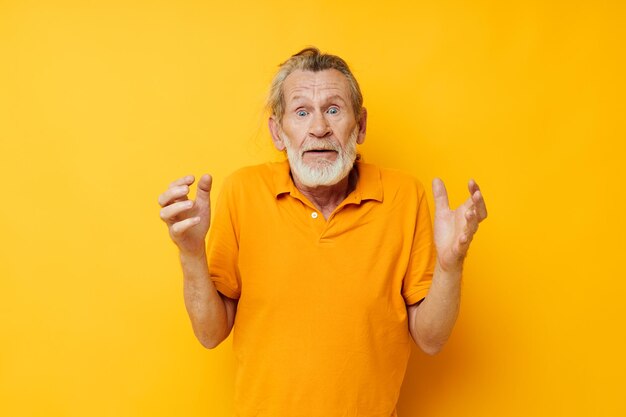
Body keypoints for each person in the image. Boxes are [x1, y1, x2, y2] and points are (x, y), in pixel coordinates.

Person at [157, 47, 488, 417]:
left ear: (360, 125)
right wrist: (190, 252)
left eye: (333, 109)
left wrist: (449, 265)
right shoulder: (242, 192)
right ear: (277, 132)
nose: (319, 128)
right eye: (301, 112)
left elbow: (431, 339)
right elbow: (209, 333)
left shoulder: (403, 196)